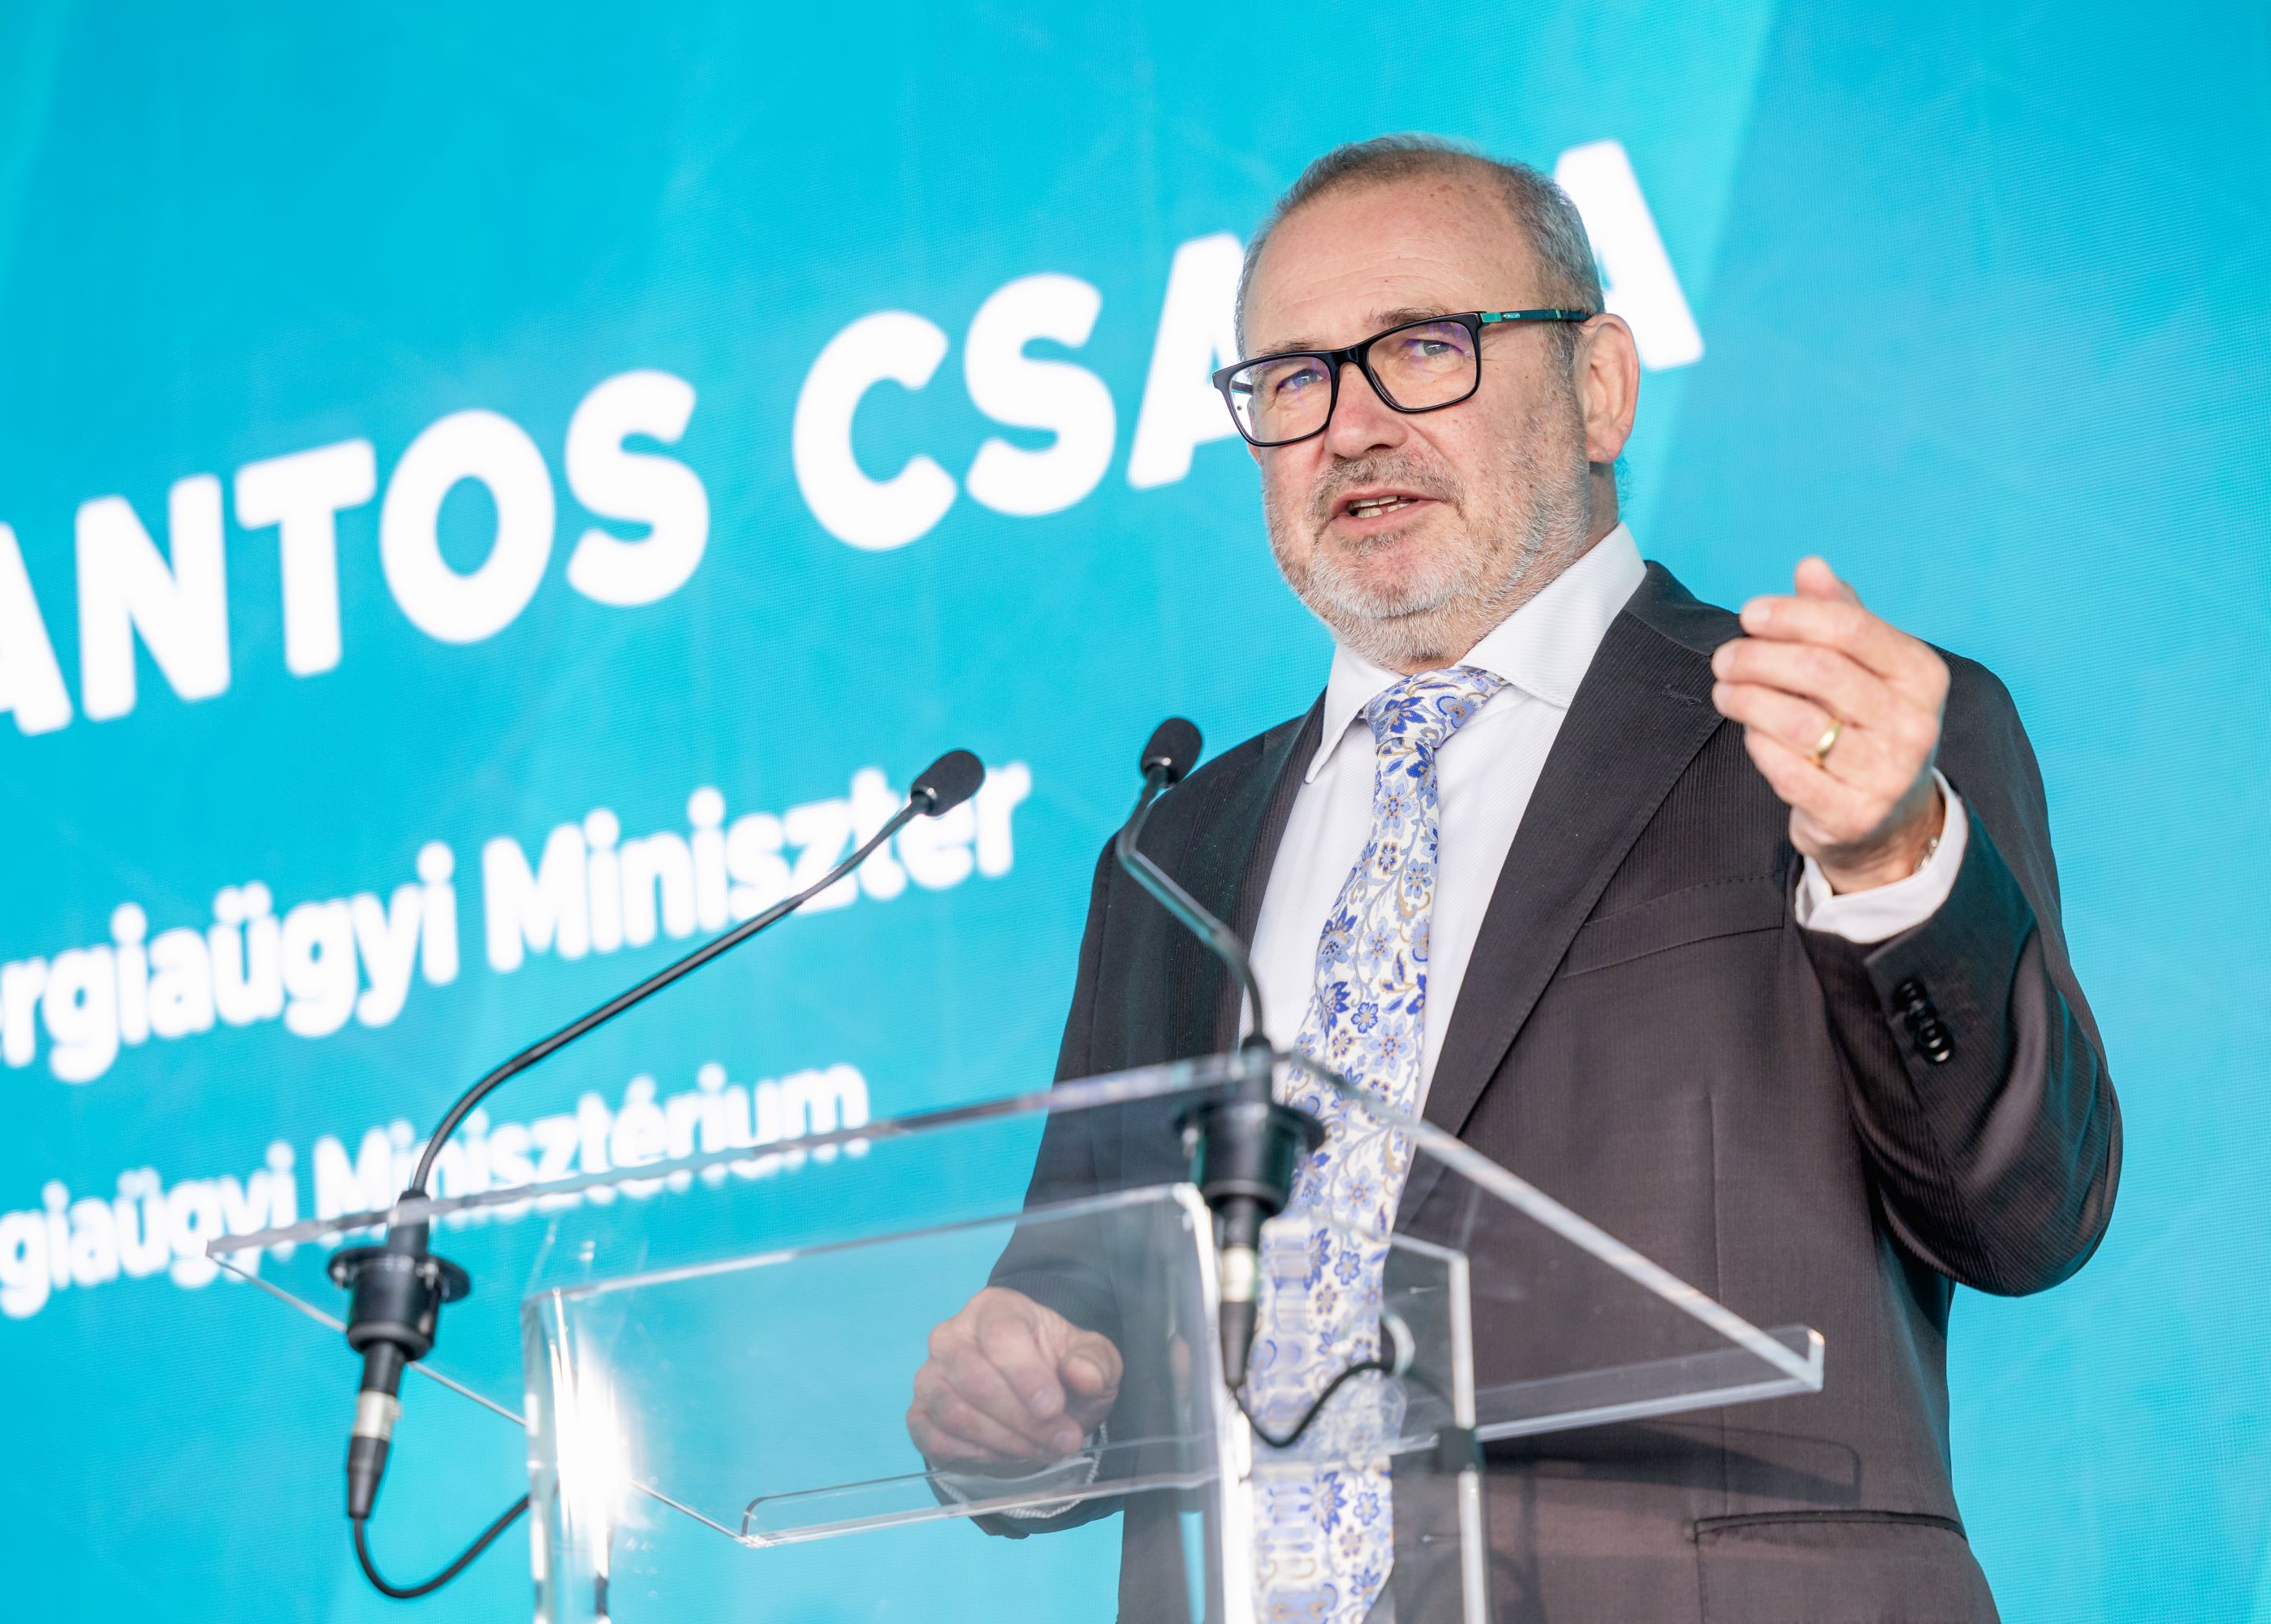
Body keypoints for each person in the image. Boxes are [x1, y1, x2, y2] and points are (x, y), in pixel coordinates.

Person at [905, 135, 2119, 1623]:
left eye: (1425, 348)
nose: (1351, 428)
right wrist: (1009, 1417)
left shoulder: (1826, 740)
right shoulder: (1174, 858)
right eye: (1292, 380)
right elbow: (1073, 1328)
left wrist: (1887, 866)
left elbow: (2026, 1216)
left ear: (1599, 386)